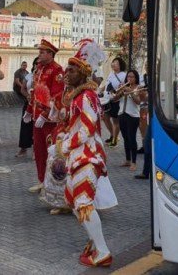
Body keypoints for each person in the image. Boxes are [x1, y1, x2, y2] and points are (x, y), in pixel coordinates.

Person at [56, 44, 117, 268]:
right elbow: (75, 125)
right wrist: (62, 135)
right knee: (74, 201)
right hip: (78, 156)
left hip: (87, 157)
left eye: (71, 71)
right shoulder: (79, 96)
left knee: (82, 202)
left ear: (82, 73)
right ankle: (95, 241)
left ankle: (102, 251)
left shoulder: (85, 96)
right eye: (67, 69)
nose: (66, 74)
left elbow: (88, 127)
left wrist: (66, 144)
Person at [25, 40, 64, 194]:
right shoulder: (39, 69)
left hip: (49, 120)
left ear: (50, 54)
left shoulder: (57, 70)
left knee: (51, 151)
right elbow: (35, 92)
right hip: (37, 117)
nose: (39, 54)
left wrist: (44, 114)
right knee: (39, 150)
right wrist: (29, 110)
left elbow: (56, 95)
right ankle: (42, 181)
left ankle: (52, 183)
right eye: (39, 51)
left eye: (42, 52)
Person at [113, 70, 142, 171]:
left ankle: (134, 162)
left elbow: (138, 101)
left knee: (132, 138)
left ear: (136, 78)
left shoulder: (139, 87)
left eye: (132, 77)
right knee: (125, 138)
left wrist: (130, 91)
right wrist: (119, 92)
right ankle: (128, 160)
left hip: (133, 115)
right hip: (122, 114)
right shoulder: (123, 87)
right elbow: (115, 99)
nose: (130, 78)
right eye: (128, 77)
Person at [100, 58, 126, 147]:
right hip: (107, 100)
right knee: (105, 117)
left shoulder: (123, 75)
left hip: (116, 100)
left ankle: (114, 140)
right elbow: (107, 84)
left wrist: (117, 95)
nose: (113, 64)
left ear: (120, 65)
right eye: (113, 62)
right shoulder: (111, 74)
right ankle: (112, 135)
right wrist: (101, 89)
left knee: (115, 121)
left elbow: (124, 88)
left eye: (116, 63)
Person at [15, 59, 34, 157]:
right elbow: (23, 88)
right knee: (25, 124)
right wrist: (27, 96)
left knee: (37, 126)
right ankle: (23, 149)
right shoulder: (29, 76)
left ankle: (37, 151)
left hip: (40, 104)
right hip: (29, 102)